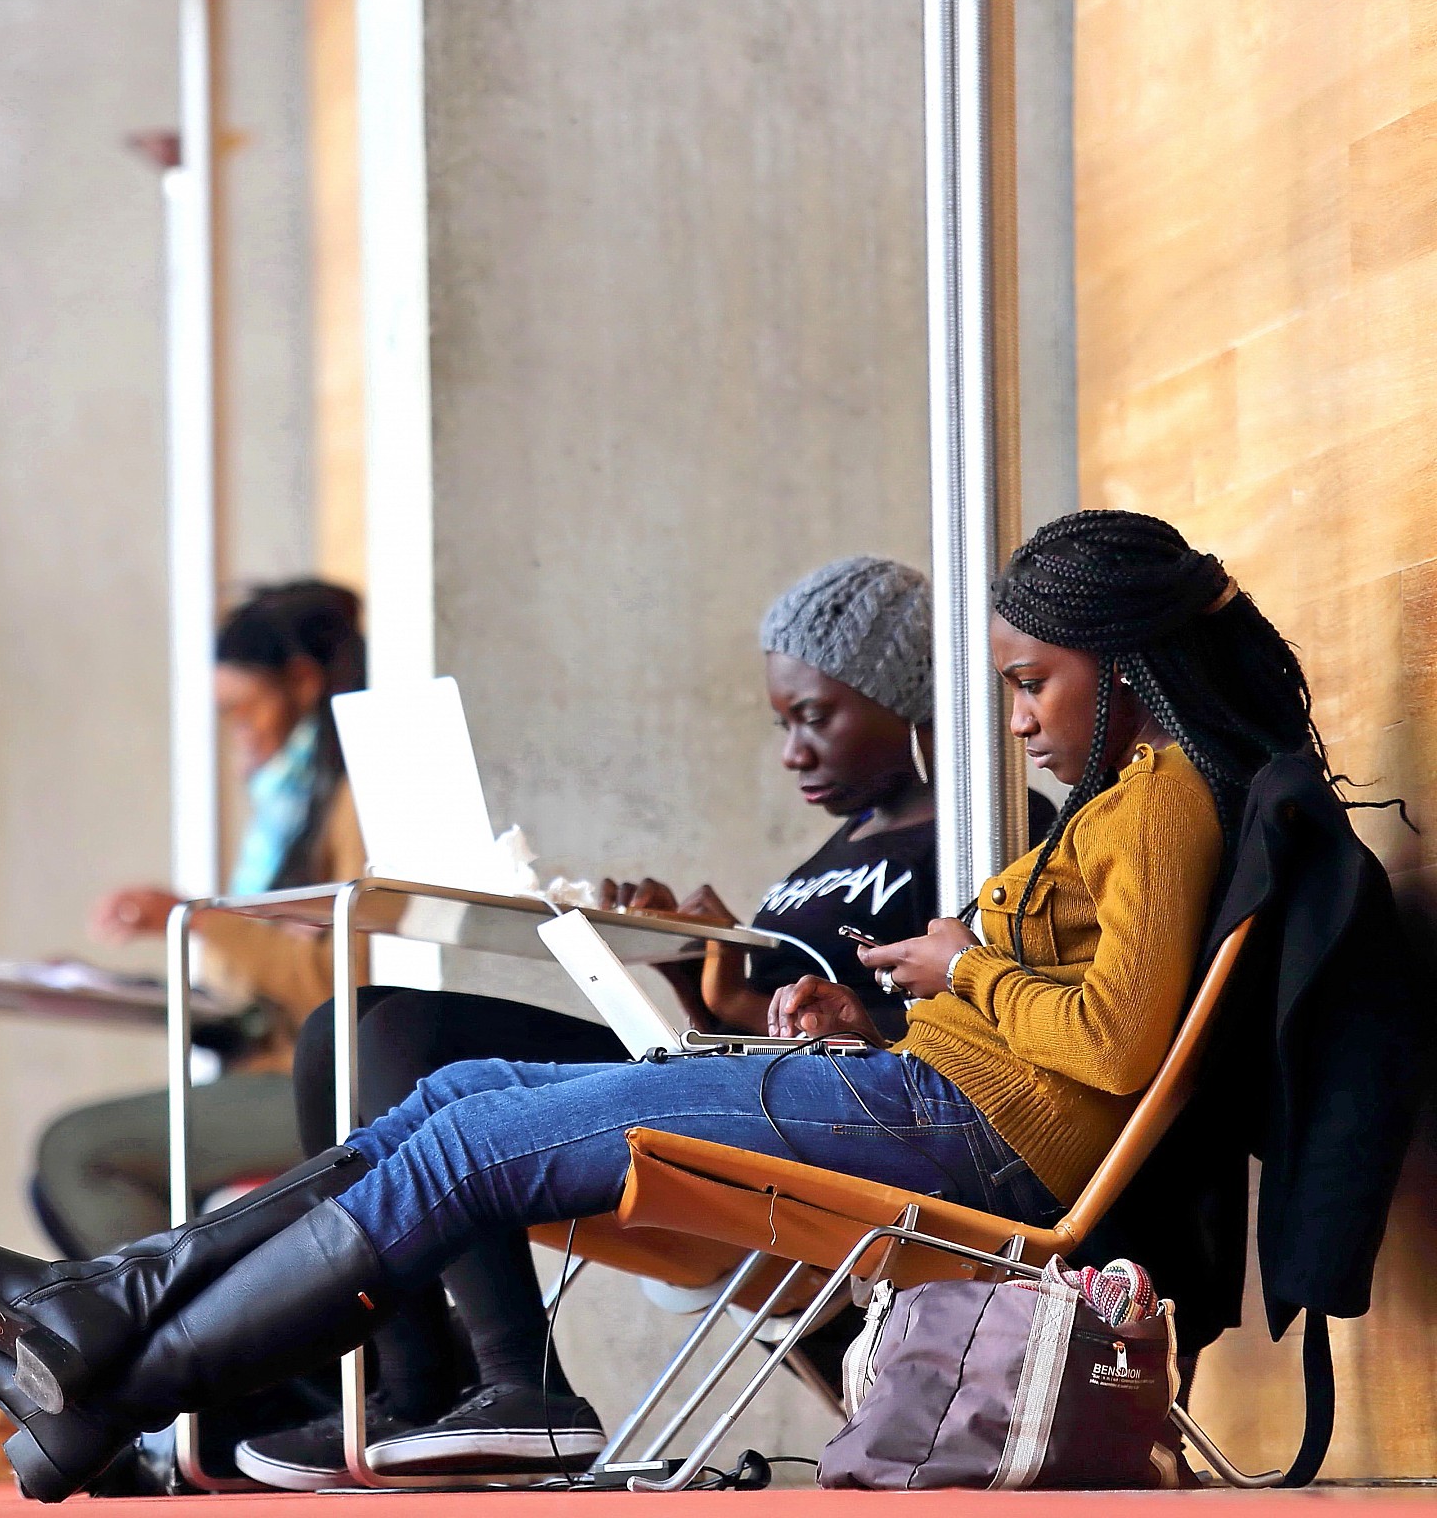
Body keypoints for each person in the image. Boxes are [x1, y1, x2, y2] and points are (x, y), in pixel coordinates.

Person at [0, 510, 1312, 1502]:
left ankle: (105, 1358)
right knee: (455, 1098)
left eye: (1032, 684)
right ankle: (96, 1338)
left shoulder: (1174, 801)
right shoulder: (1123, 803)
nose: (1015, 716)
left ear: (1123, 668)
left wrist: (967, 968)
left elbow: (1122, 1046)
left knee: (466, 1138)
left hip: (961, 1127)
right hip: (923, 1099)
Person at [238, 555, 1069, 1485]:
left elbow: (966, 1032)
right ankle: (416, 1381)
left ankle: (523, 1384)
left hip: (850, 1121)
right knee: (350, 1028)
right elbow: (743, 1024)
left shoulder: (988, 829)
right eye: (782, 723)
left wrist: (846, 1012)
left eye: (816, 717)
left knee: (400, 1042)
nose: (793, 751)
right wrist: (689, 961)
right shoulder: (838, 844)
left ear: (904, 698)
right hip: (732, 1080)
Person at [32, 581, 367, 1259]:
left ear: (302, 683)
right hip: (270, 1067)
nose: (239, 734)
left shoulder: (350, 805)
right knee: (56, 1180)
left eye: (246, 709)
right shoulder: (289, 811)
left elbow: (336, 987)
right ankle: (204, 1339)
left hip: (328, 1085)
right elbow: (262, 972)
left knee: (76, 1151)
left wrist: (198, 920)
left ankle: (199, 1348)